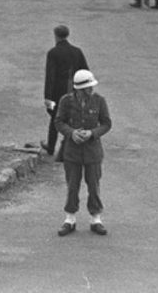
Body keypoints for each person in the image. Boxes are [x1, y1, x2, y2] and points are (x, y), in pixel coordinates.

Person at [56, 69, 112, 237]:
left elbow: (106, 123)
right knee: (72, 185)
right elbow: (59, 122)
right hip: (72, 151)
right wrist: (71, 133)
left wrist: (92, 133)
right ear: (78, 89)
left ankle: (96, 218)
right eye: (87, 88)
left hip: (92, 151)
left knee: (94, 185)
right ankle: (70, 219)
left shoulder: (99, 101)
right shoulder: (66, 101)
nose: (90, 90)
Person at [42, 25, 90, 156]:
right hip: (75, 90)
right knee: (72, 117)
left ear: (56, 35)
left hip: (58, 92)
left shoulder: (53, 53)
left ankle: (51, 146)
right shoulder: (77, 51)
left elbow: (50, 76)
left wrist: (47, 97)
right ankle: (68, 147)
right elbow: (85, 71)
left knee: (55, 119)